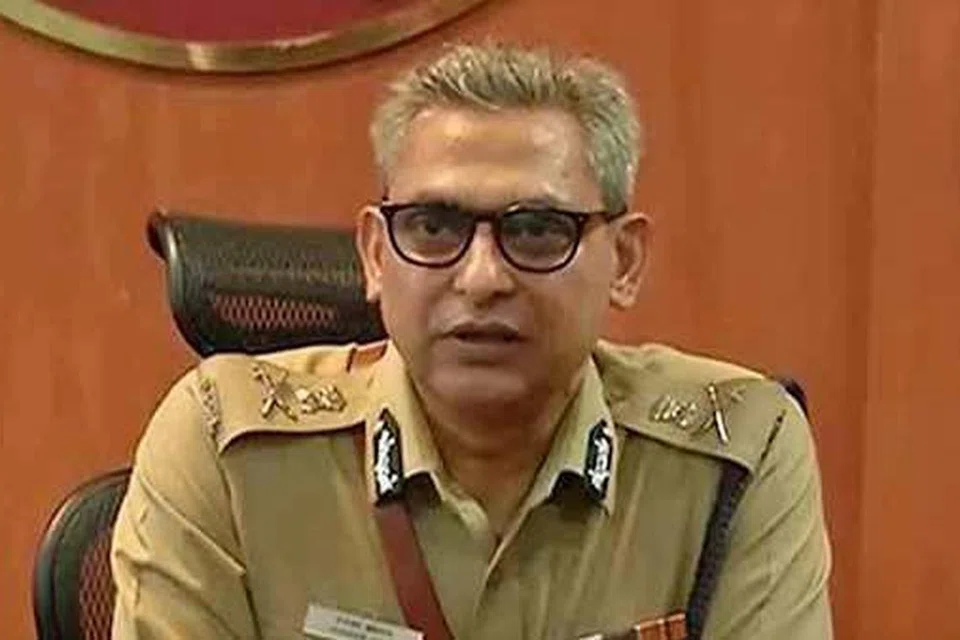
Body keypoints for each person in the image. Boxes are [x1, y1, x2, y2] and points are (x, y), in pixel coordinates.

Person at [111, 43, 832, 639]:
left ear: (624, 261)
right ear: (375, 256)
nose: (482, 278)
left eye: (537, 230)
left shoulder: (737, 456)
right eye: (434, 227)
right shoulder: (225, 445)